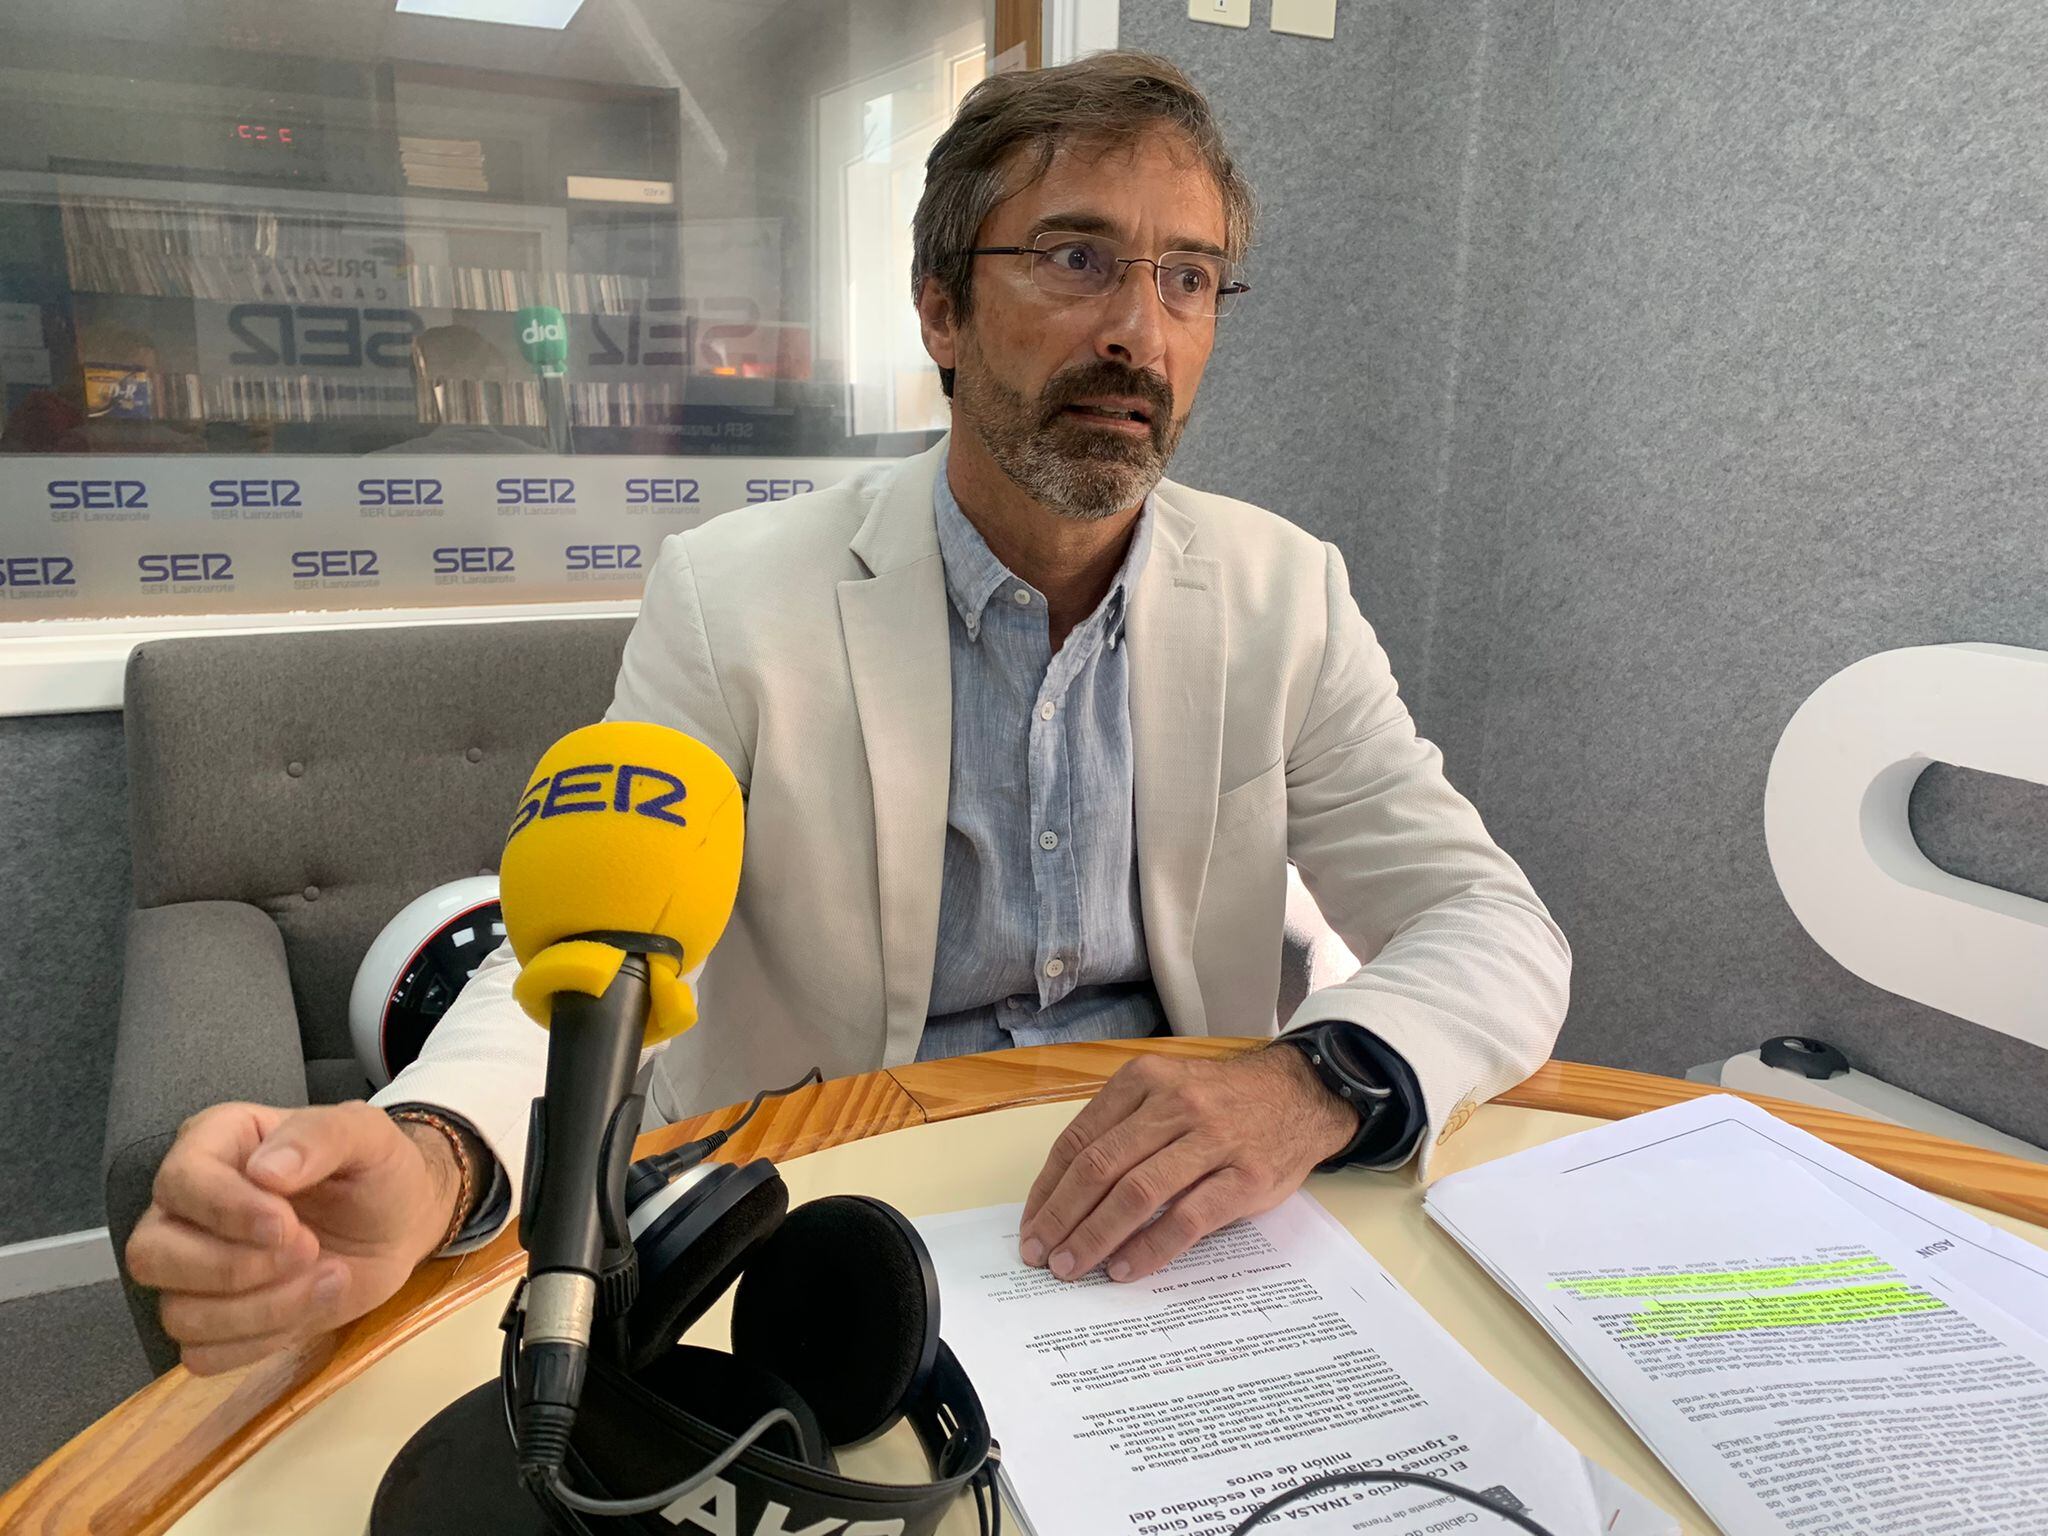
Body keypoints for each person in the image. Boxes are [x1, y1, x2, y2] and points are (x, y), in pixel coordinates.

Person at [126, 51, 1570, 1377]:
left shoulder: (1286, 592)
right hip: (847, 1239)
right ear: (941, 309)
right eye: (1078, 258)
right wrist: (435, 1156)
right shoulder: (733, 598)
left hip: (1186, 1230)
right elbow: (589, 961)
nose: (1142, 330)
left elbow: (1492, 926)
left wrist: (1312, 1078)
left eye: (1188, 280)